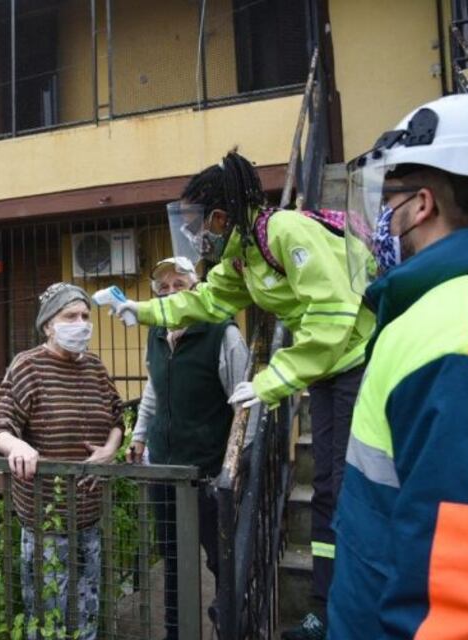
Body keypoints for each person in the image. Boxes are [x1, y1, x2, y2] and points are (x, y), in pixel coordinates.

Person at [116, 150, 375, 639]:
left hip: (358, 361)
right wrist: (142, 310)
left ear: (220, 217)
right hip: (327, 370)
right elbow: (206, 300)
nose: (194, 235)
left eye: (196, 225)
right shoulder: (243, 256)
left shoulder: (285, 232)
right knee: (326, 488)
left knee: (347, 489)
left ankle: (350, 608)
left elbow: (332, 317)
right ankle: (325, 607)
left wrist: (270, 380)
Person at [330, 94, 468, 638]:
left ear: (422, 206)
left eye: (388, 200)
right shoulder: (455, 313)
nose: (379, 221)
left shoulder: (466, 333)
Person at [0, 282, 124, 640]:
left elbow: (117, 417)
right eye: (70, 316)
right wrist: (16, 446)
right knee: (47, 616)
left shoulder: (95, 367)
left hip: (90, 515)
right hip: (46, 521)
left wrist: (110, 449)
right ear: (48, 325)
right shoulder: (27, 366)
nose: (81, 324)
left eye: (85, 316)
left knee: (87, 610)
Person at [127, 256, 248, 639]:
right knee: (173, 559)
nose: (170, 293)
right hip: (165, 469)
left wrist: (236, 465)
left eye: (179, 285)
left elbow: (245, 404)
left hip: (209, 471)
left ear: (196, 290)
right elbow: (153, 389)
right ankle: (175, 632)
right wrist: (139, 435)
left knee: (221, 559)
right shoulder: (156, 333)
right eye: (163, 288)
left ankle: (230, 622)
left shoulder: (223, 333)